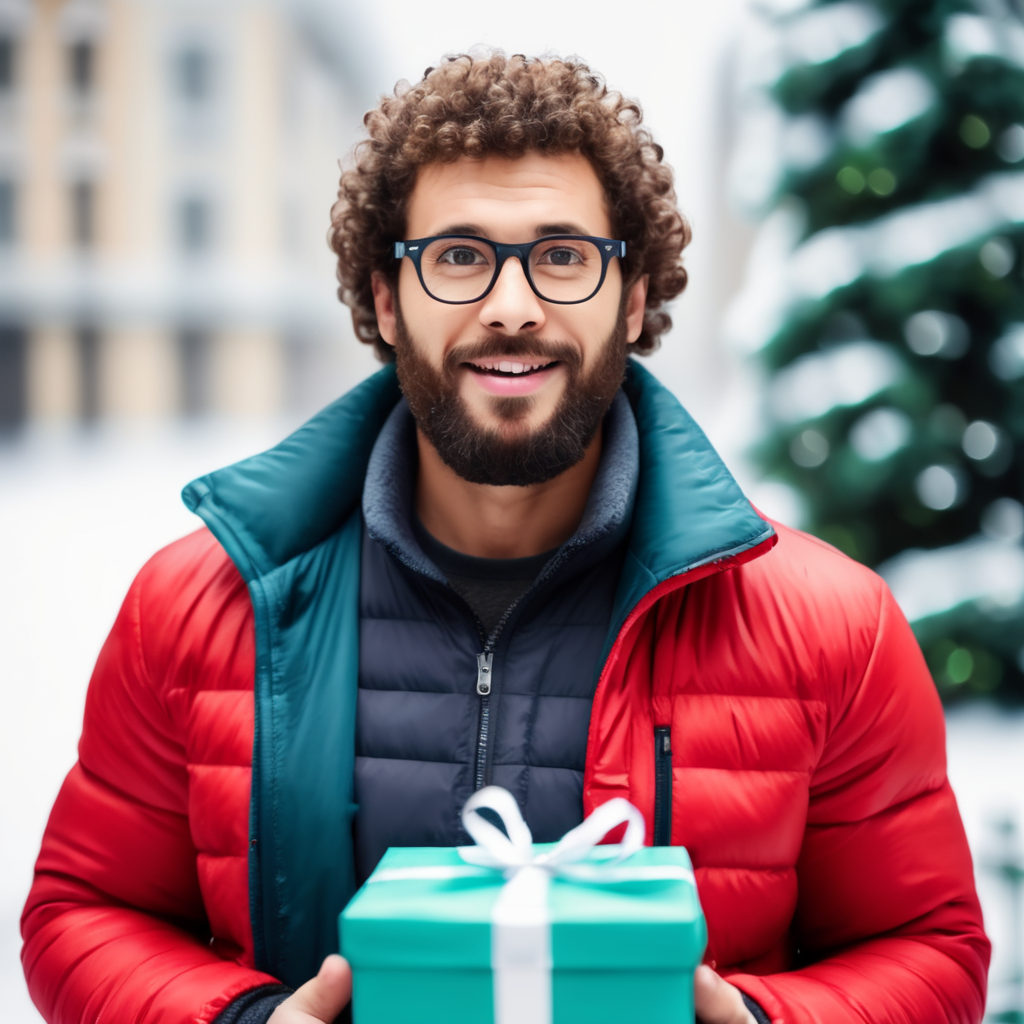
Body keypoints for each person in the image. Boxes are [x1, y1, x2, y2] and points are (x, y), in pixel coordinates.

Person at [22, 53, 988, 1024]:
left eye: (563, 256)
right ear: (388, 298)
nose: (512, 306)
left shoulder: (833, 627)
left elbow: (929, 949)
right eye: (458, 256)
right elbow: (83, 911)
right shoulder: (197, 605)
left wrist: (766, 1022)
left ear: (636, 296)